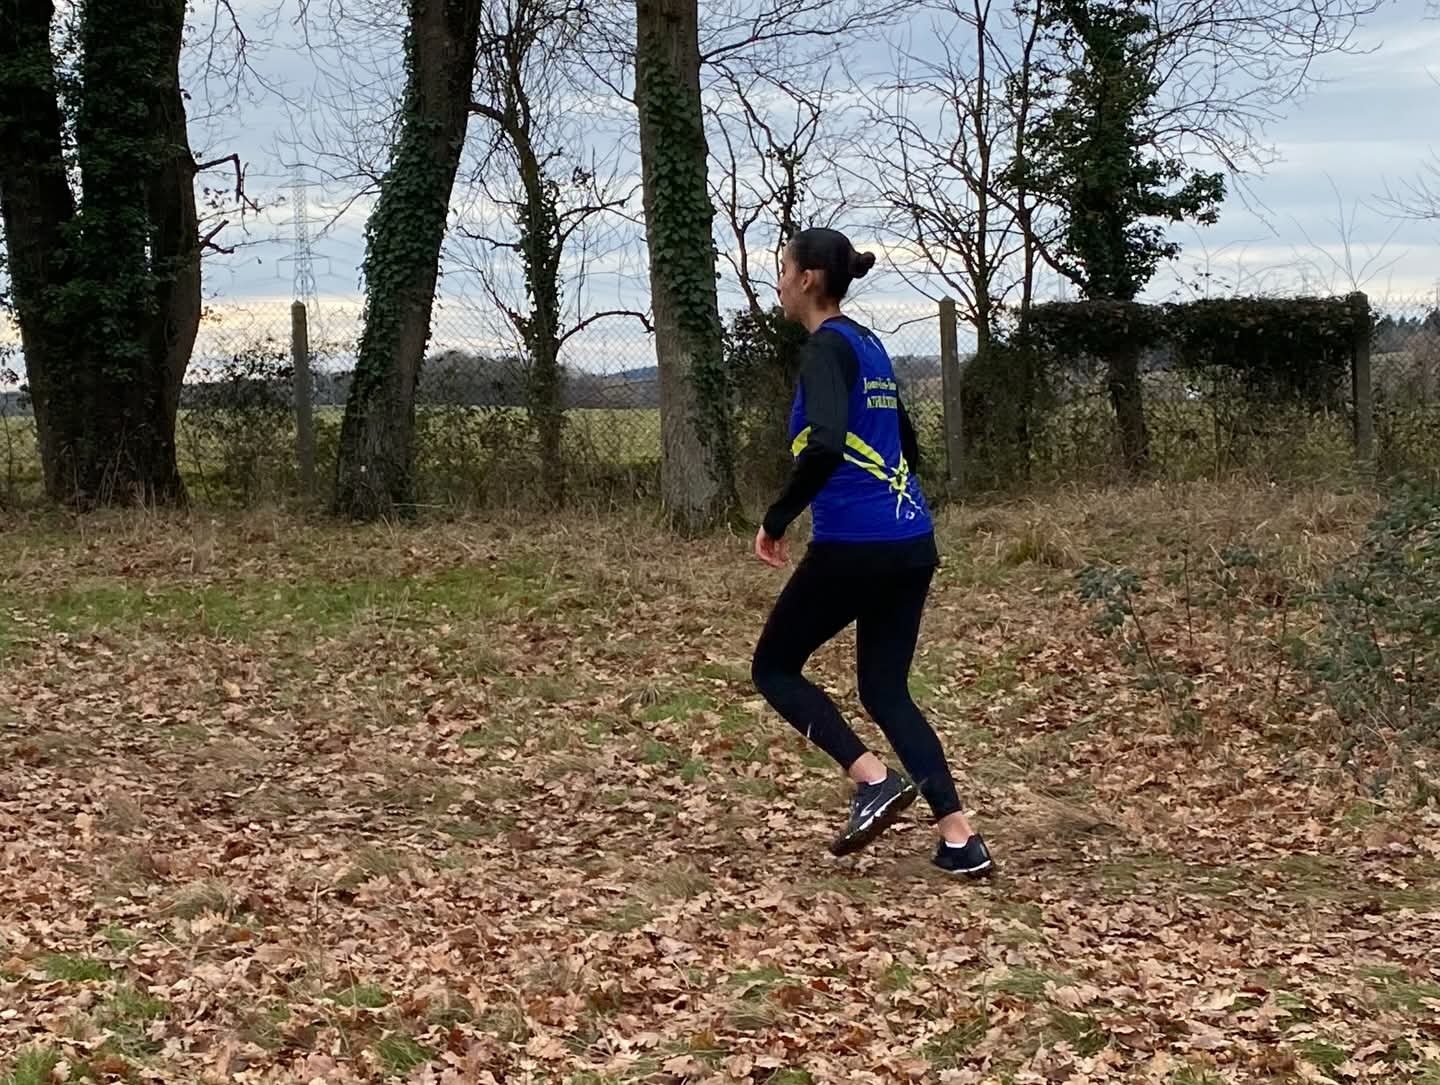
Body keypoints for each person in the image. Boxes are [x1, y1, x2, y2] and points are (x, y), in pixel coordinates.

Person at [749, 227, 994, 879]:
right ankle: (960, 838)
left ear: (807, 279)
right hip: (911, 540)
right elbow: (906, 439)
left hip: (856, 544)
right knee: (886, 689)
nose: (778, 283)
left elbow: (826, 442)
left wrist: (777, 517)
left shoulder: (825, 349)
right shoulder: (869, 344)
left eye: (783, 270)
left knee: (774, 667)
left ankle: (872, 779)